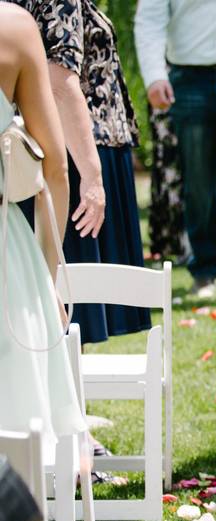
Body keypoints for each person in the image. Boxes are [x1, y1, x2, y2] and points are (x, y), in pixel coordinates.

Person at [15, 0, 151, 345]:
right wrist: (92, 176)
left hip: (50, 146)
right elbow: (60, 83)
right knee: (68, 297)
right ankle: (63, 393)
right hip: (75, 150)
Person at [0, 3, 85, 457]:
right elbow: (55, 170)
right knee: (12, 416)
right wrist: (45, 277)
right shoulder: (12, 27)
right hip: (5, 254)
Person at [134, 0, 216, 298]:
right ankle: (204, 271)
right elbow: (149, 19)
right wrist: (154, 76)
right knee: (198, 182)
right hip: (189, 77)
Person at [145, 105, 216, 264]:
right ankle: (174, 243)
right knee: (169, 165)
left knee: (212, 160)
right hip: (166, 92)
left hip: (207, 90)